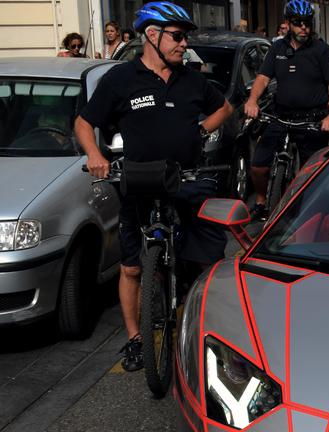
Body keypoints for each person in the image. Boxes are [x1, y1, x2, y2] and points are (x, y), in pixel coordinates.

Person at [74, 1, 234, 372]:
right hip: (138, 181)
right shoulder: (120, 79)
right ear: (152, 35)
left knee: (207, 261)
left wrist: (199, 131)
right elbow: (84, 122)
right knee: (131, 268)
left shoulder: (192, 79)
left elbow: (224, 108)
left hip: (189, 180)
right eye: (177, 37)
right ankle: (135, 339)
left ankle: (208, 331)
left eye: (184, 37)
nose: (184, 44)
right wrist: (95, 154)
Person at [243, 0, 329, 221]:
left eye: (307, 23)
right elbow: (262, 78)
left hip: (313, 120)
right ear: (288, 23)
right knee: (259, 166)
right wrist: (252, 101)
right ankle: (261, 201)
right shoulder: (277, 48)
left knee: (313, 173)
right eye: (298, 23)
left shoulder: (321, 50)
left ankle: (310, 212)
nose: (303, 27)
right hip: (280, 116)